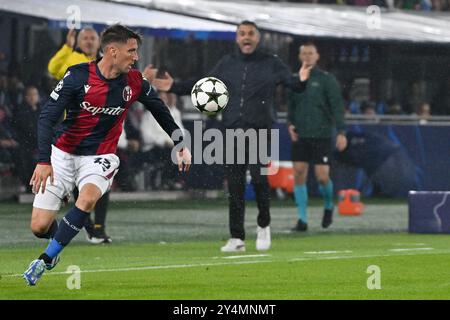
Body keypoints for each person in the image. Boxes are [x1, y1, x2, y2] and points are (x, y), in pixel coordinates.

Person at [22, 24, 191, 286]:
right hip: (62, 155)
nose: (136, 57)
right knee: (38, 227)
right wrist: (44, 161)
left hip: (100, 156)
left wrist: (180, 143)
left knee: (87, 199)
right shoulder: (78, 76)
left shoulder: (135, 81)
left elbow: (161, 111)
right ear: (112, 51)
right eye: (131, 51)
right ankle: (55, 240)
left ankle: (46, 259)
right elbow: (46, 117)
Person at [148, 21, 306, 252]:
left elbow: (294, 84)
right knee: (235, 186)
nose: (246, 38)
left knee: (261, 181)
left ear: (257, 38)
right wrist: (174, 87)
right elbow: (204, 84)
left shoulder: (271, 63)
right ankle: (237, 238)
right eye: (242, 34)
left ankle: (264, 225)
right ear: (236, 38)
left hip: (259, 131)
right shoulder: (227, 63)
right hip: (231, 130)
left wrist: (301, 79)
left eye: (250, 34)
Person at [48, 27, 112, 244]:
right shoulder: (73, 61)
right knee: (79, 186)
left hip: (104, 131)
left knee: (103, 180)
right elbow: (53, 68)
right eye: (84, 38)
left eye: (92, 38)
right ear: (78, 41)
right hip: (77, 133)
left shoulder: (107, 63)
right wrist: (66, 46)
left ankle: (99, 227)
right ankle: (88, 226)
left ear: (99, 42)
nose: (88, 41)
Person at [288, 42, 347, 232]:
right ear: (299, 57)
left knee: (322, 177)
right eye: (304, 53)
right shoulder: (295, 79)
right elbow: (291, 106)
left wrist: (341, 132)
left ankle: (329, 205)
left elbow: (337, 107)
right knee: (298, 173)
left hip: (321, 134)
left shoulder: (327, 80)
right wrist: (290, 124)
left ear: (317, 56)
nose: (307, 56)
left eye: (310, 53)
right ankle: (302, 219)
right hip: (301, 134)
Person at [11, 86, 41, 191]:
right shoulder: (21, 111)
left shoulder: (41, 110)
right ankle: (28, 185)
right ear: (26, 97)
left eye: (35, 95)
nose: (33, 97)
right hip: (26, 144)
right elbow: (26, 129)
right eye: (31, 95)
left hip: (40, 143)